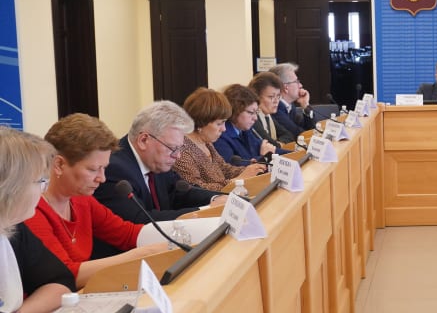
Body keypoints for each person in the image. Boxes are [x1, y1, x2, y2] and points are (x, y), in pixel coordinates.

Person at [23, 114, 169, 288]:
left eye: (104, 168)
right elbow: (64, 274)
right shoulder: (31, 210)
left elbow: (127, 234)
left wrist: (182, 234)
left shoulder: (82, 199)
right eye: (93, 169)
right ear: (59, 165)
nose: (102, 178)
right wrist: (138, 255)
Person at [93, 101, 226, 223]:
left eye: (179, 148)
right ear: (143, 140)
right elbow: (139, 219)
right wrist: (205, 211)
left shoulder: (156, 161)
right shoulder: (113, 169)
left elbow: (179, 192)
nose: (178, 155)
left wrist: (216, 199)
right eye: (173, 148)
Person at [0, 127, 75, 313]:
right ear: (11, 187)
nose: (43, 190)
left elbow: (60, 282)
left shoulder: (13, 228)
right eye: (40, 181)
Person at [172, 88, 268, 191]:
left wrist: (248, 170)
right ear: (201, 122)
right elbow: (197, 189)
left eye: (224, 122)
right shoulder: (182, 151)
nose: (224, 129)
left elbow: (224, 169)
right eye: (219, 123)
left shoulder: (206, 142)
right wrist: (236, 181)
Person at [214, 84, 279, 164]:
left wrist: (293, 153)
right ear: (235, 111)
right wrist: (266, 156)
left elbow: (266, 148)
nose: (255, 118)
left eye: (256, 112)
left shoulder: (245, 130)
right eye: (251, 112)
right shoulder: (221, 137)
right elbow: (237, 167)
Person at [269, 62, 317, 137]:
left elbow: (310, 128)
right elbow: (298, 134)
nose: (301, 85)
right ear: (285, 87)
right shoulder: (276, 109)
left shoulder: (290, 106)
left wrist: (305, 105)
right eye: (296, 82)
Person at [249, 72, 297, 148]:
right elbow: (268, 143)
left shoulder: (268, 116)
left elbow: (289, 135)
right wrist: (279, 144)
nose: (276, 101)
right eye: (271, 97)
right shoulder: (253, 118)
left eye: (278, 96)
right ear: (256, 97)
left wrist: (278, 143)